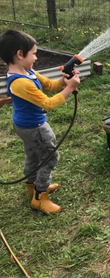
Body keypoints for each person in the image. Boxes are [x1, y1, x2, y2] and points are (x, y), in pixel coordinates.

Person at [0, 30, 80, 214]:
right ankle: (40, 197)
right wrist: (70, 89)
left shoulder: (29, 72)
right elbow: (48, 103)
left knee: (33, 155)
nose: (36, 57)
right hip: (35, 127)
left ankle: (32, 185)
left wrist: (63, 81)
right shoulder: (21, 83)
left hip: (24, 126)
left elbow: (50, 86)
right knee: (49, 157)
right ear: (20, 54)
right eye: (34, 53)